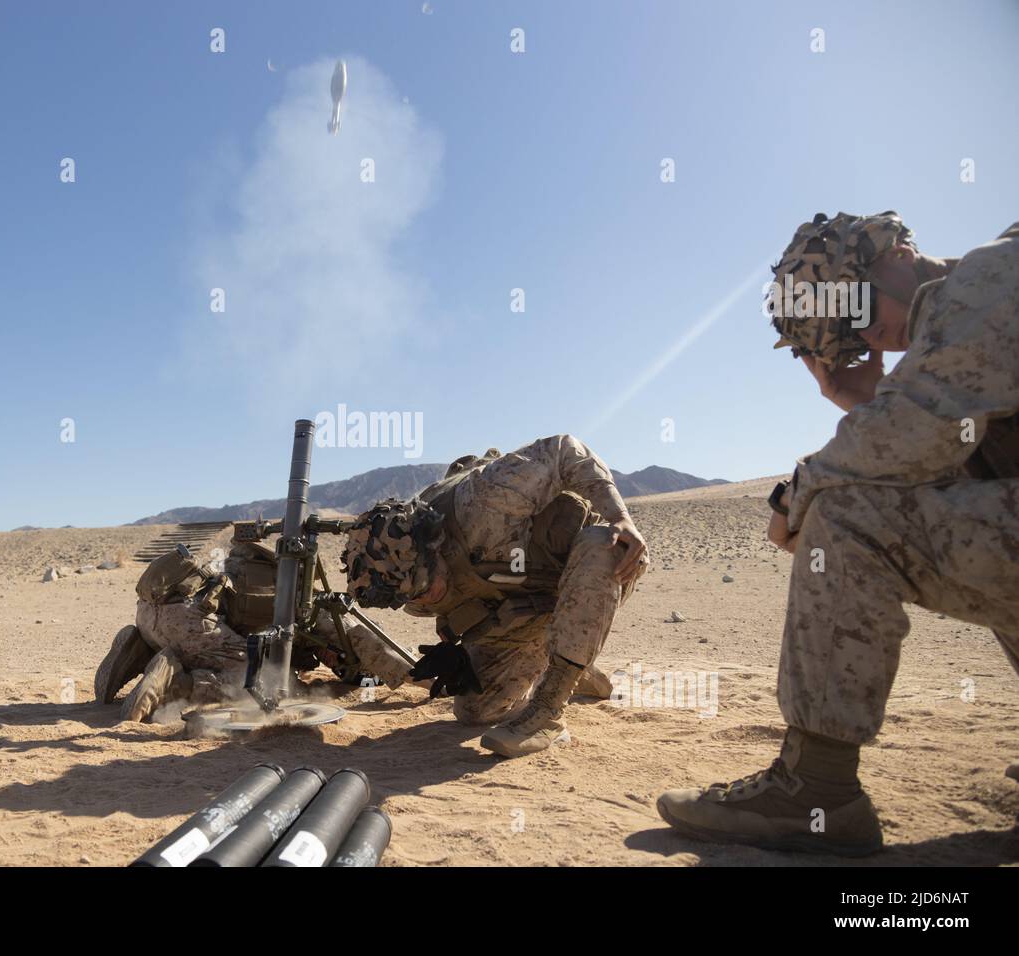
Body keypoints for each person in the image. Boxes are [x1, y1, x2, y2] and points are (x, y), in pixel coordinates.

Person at [657, 212, 1019, 855]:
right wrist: (868, 401)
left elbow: (913, 431)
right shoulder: (960, 330)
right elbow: (933, 453)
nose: (866, 331)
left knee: (847, 518)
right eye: (847, 330)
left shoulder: (988, 275)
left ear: (898, 252)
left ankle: (815, 788)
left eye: (857, 303)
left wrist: (799, 494)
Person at [341, 434, 648, 758]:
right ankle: (565, 664)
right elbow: (481, 596)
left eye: (427, 584)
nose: (428, 599)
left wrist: (619, 517)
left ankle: (549, 711)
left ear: (434, 544)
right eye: (416, 597)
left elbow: (565, 449)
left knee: (603, 546)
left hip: (592, 569)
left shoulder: (483, 501)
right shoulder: (399, 581)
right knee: (475, 710)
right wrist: (458, 647)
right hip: (532, 597)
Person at [95, 538, 414, 722]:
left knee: (216, 649)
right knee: (261, 683)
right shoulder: (314, 610)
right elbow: (374, 647)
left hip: (155, 608)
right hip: (194, 622)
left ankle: (143, 645)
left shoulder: (244, 570)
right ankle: (174, 682)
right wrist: (423, 675)